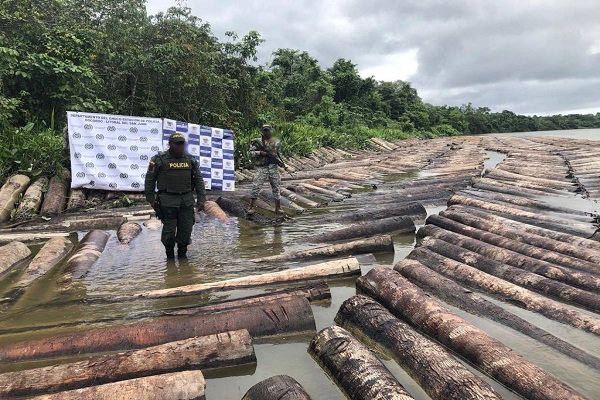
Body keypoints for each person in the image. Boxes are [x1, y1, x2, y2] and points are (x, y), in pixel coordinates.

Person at [145, 133, 206, 259]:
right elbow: (150, 179)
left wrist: (201, 198)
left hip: (186, 200)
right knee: (169, 231)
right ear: (170, 144)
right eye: (176, 144)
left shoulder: (190, 159)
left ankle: (183, 258)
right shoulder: (158, 160)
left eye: (181, 144)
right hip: (167, 201)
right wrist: (151, 199)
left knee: (186, 230)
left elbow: (198, 179)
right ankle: (170, 258)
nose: (179, 146)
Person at [248, 124, 284, 216]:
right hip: (262, 167)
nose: (266, 132)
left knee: (276, 187)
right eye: (265, 130)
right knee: (256, 186)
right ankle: (251, 207)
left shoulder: (276, 142)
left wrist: (281, 163)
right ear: (262, 131)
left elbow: (279, 155)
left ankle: (278, 207)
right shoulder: (257, 142)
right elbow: (250, 153)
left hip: (273, 167)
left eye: (268, 130)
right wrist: (260, 153)